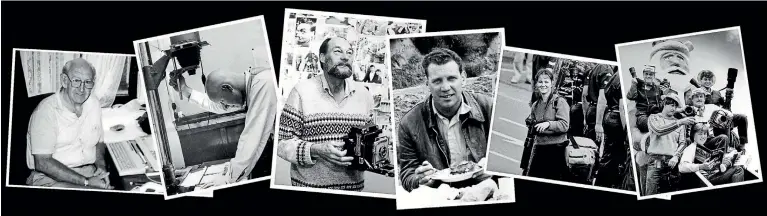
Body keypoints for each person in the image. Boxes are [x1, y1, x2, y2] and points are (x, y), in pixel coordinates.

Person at [277, 37, 376, 191]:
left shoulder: (364, 95)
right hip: (309, 188)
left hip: (354, 189)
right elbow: (282, 144)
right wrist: (317, 150)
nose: (345, 56)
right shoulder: (301, 92)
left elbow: (370, 139)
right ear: (322, 57)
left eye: (349, 52)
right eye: (338, 51)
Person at [397, 48, 495, 192]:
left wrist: (492, 167)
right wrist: (420, 179)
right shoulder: (409, 123)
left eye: (451, 79)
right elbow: (407, 175)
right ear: (427, 83)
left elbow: (508, 159)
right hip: (440, 196)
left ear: (463, 78)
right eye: (437, 81)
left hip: (485, 190)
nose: (445, 87)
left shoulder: (488, 108)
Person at [172, 66, 277, 188]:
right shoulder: (252, 85)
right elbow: (216, 105)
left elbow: (252, 136)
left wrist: (228, 178)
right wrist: (185, 90)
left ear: (227, 87)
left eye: (223, 100)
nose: (225, 106)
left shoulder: (263, 84)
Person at [26, 58, 113, 190]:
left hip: (88, 172)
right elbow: (42, 162)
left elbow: (99, 141)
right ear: (65, 81)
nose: (82, 88)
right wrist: (87, 182)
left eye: (88, 82)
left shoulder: (94, 103)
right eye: (77, 81)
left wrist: (100, 166)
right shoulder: (45, 111)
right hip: (49, 178)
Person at [641, 93, 695, 195]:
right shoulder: (654, 117)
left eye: (675, 106)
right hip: (655, 162)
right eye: (671, 105)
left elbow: (683, 143)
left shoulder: (680, 122)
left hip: (672, 164)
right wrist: (679, 122)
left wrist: (676, 156)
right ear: (664, 104)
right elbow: (659, 130)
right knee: (650, 194)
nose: (673, 108)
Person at [523, 68, 571, 181]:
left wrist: (548, 124)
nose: (543, 85)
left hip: (556, 150)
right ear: (536, 84)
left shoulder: (560, 102)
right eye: (540, 82)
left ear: (551, 83)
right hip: (539, 148)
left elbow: (564, 125)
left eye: (546, 82)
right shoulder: (535, 105)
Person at [593, 67, 630, 189]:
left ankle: (604, 183)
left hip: (610, 115)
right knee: (611, 158)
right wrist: (626, 131)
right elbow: (622, 107)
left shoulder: (614, 76)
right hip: (617, 119)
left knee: (610, 156)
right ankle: (603, 184)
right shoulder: (622, 77)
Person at [678, 123, 744, 186]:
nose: (703, 136)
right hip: (704, 180)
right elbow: (682, 167)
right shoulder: (691, 148)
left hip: (713, 174)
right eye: (700, 134)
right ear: (693, 135)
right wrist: (701, 166)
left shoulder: (703, 147)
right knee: (738, 170)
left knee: (737, 166)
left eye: (705, 134)